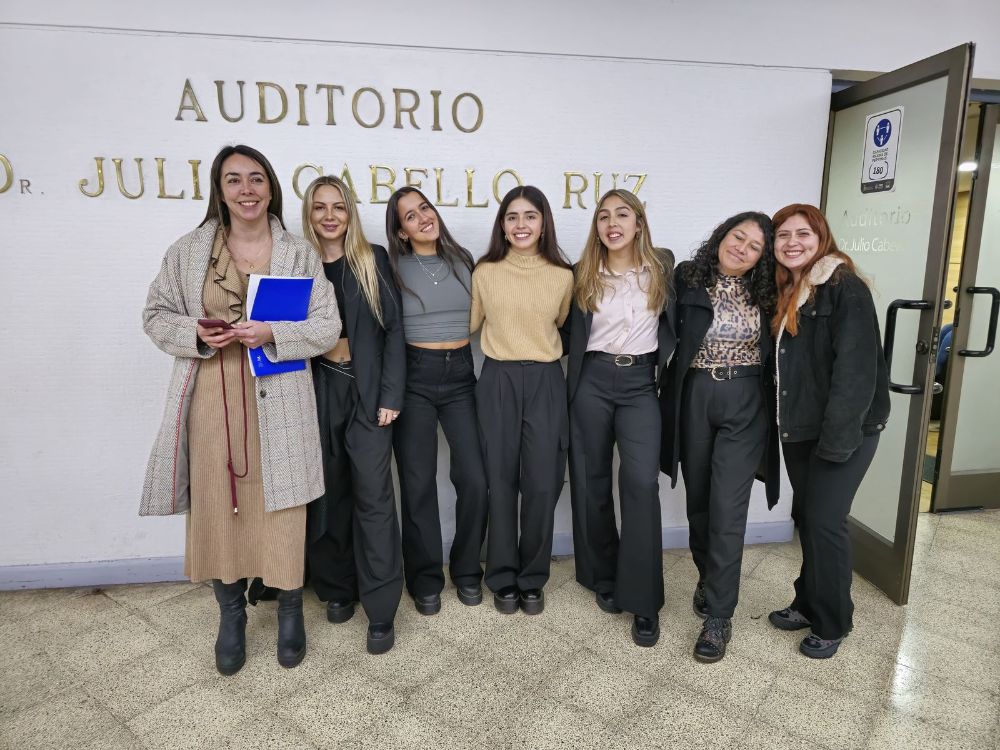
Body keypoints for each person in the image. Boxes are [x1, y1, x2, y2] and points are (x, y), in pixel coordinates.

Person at [140, 144, 340, 675]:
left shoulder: (299, 253)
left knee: (283, 505)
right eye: (234, 180)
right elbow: (156, 316)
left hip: (281, 395)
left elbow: (326, 327)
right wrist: (195, 332)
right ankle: (230, 613)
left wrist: (273, 331)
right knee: (218, 504)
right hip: (211, 391)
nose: (246, 190)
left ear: (271, 187)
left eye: (256, 179)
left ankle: (291, 608)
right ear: (220, 189)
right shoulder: (186, 252)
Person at [768, 203, 889, 659]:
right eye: (783, 235)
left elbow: (855, 374)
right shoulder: (792, 289)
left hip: (844, 432)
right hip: (802, 430)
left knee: (825, 521)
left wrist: (837, 444)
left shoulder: (842, 287)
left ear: (822, 238)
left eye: (803, 233)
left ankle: (833, 619)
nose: (792, 242)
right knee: (808, 518)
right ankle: (807, 600)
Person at [659, 211, 780, 663]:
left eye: (754, 247)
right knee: (701, 503)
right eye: (738, 237)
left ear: (762, 260)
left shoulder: (768, 293)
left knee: (728, 509)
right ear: (721, 236)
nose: (742, 249)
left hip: (745, 399)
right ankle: (707, 578)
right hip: (694, 396)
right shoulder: (688, 277)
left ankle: (720, 617)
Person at [564, 189, 676, 647]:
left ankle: (644, 600)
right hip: (591, 380)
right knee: (590, 482)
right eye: (604, 216)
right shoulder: (582, 274)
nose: (612, 223)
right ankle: (602, 575)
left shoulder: (664, 269)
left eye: (622, 214)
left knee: (639, 485)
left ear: (639, 223)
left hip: (639, 385)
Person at [301, 175, 406, 655]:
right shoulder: (296, 265)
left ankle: (380, 609)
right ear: (309, 213)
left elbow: (393, 333)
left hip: (366, 394)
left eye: (338, 207)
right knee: (329, 494)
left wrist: (391, 396)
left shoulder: (372, 260)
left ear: (350, 213)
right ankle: (338, 587)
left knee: (375, 499)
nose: (329, 216)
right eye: (320, 207)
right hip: (316, 391)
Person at [385, 187, 489, 614]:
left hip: (463, 374)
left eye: (425, 207)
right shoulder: (392, 269)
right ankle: (425, 578)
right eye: (410, 216)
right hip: (415, 378)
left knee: (476, 479)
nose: (422, 217)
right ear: (403, 232)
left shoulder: (465, 262)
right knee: (417, 481)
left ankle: (466, 570)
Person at [472, 185, 574, 615]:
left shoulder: (563, 275)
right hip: (497, 379)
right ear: (502, 224)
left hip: (548, 379)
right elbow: (470, 327)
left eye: (530, 216)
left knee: (541, 482)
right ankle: (501, 576)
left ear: (544, 221)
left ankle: (533, 578)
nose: (520, 225)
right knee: (500, 480)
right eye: (512, 217)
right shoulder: (485, 272)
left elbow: (563, 327)